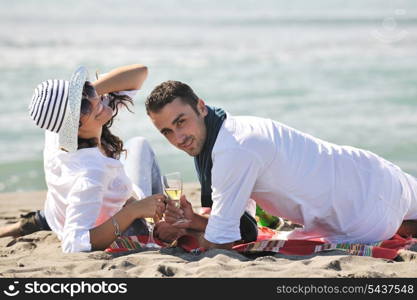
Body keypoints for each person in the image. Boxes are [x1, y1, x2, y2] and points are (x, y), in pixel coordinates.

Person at [146, 80, 417, 250]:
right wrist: (193, 219)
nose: (178, 138)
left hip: (363, 220)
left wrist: (186, 233)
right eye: (167, 131)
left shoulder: (231, 152)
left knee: (395, 223)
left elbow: (223, 241)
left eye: (181, 122)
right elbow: (240, 221)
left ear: (201, 107)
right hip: (377, 171)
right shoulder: (236, 128)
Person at [0, 64, 166, 253]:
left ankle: (30, 223)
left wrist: (87, 95)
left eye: (85, 90)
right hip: (108, 219)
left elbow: (139, 73)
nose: (97, 100)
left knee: (137, 144)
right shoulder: (91, 174)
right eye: (84, 106)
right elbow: (74, 244)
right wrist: (134, 211)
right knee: (141, 145)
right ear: (74, 127)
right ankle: (163, 222)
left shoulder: (60, 128)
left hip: (60, 210)